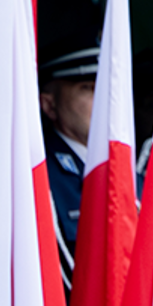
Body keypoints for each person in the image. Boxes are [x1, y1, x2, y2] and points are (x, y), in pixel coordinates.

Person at [37, 38, 100, 249]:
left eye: (107, 88)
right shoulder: (41, 177)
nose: (104, 99)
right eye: (88, 88)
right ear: (49, 104)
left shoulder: (133, 175)